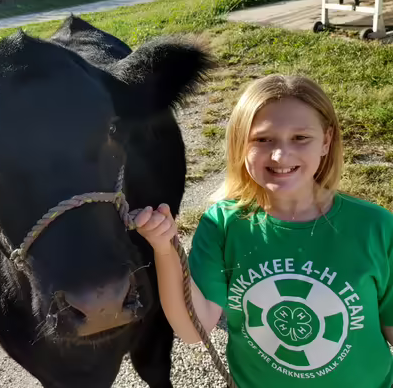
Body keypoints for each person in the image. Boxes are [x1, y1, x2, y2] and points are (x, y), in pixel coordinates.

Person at [135, 74, 393, 387]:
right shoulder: (223, 225)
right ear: (240, 144)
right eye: (263, 139)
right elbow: (194, 329)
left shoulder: (376, 226)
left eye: (300, 138)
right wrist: (164, 250)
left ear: (326, 141)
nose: (280, 155)